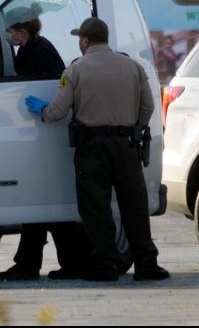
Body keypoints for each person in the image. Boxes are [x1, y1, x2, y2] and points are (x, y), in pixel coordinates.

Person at [25, 17, 169, 281]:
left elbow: (58, 111)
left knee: (96, 208)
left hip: (92, 147)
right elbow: (148, 107)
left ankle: (105, 266)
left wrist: (43, 112)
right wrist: (132, 127)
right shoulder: (133, 66)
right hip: (126, 145)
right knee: (134, 206)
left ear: (85, 41)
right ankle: (147, 264)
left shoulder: (75, 70)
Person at [0, 5, 89, 281]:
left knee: (44, 203)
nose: (8, 37)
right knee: (46, 205)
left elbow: (57, 87)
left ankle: (32, 264)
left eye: (11, 31)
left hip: (47, 131)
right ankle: (61, 263)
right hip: (41, 132)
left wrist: (46, 107)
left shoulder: (40, 52)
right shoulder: (31, 49)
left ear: (22, 31)